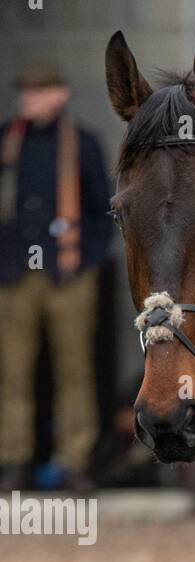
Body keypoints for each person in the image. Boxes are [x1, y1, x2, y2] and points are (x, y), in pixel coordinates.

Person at [0, 62, 111, 493]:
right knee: (12, 373)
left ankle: (74, 459)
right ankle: (13, 459)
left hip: (67, 274)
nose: (29, 99)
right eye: (25, 92)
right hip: (14, 275)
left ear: (59, 94)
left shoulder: (82, 143)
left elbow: (103, 211)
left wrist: (87, 262)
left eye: (37, 91)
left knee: (74, 372)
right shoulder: (8, 139)